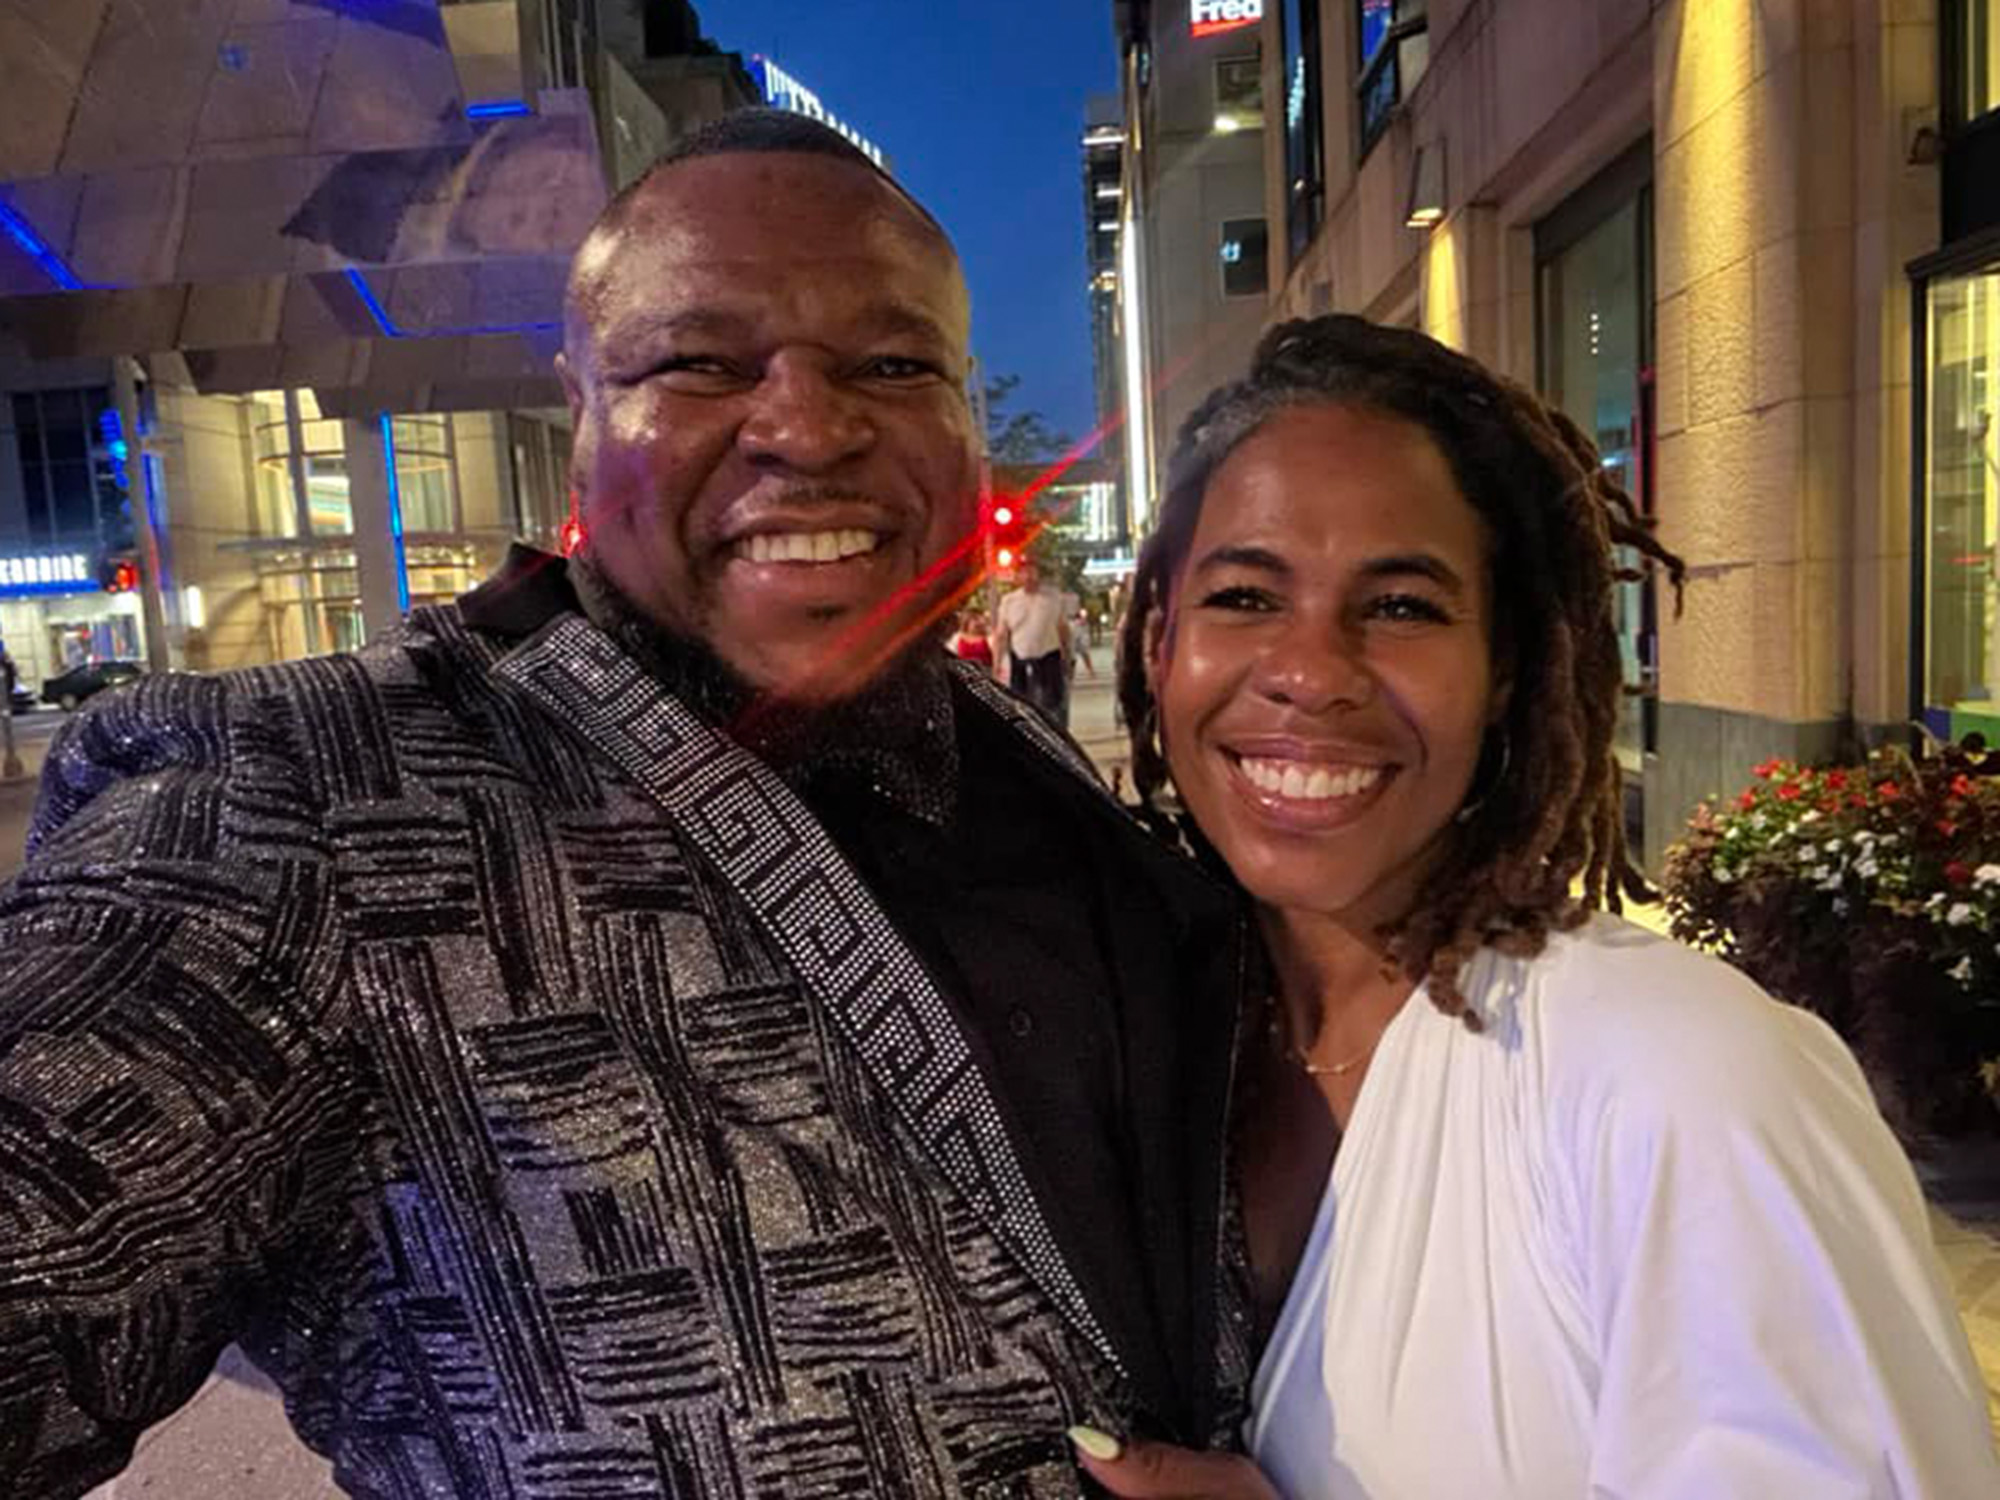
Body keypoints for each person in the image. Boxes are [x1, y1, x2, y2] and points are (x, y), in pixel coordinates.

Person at [0, 111, 1251, 1498]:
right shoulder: (303, 808)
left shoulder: (1025, 758)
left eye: (893, 362)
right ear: (579, 402)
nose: (809, 423)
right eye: (701, 363)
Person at [1083, 315, 2000, 1497]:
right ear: (1158, 641)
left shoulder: (1677, 1076)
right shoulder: (1130, 1042)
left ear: (1506, 664)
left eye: (1403, 606)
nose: (1310, 670)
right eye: (1245, 597)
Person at [994, 556, 1071, 726]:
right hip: (1019, 658)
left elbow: (1063, 629)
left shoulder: (1053, 598)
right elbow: (1001, 635)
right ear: (1017, 576)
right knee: (1021, 705)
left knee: (1052, 705)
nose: (1028, 576)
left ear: (1038, 574)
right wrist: (996, 663)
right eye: (1023, 572)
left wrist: (1067, 655)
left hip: (1049, 656)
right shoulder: (1009, 601)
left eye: (1031, 571)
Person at [950, 606, 995, 671]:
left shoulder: (988, 636)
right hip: (968, 672)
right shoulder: (957, 638)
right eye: (975, 619)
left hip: (987, 671)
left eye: (980, 617)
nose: (980, 621)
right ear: (966, 622)